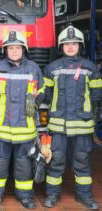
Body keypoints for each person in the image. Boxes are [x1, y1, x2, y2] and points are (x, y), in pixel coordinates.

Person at [43, 25, 102, 210]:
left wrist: (90, 118)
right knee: (55, 161)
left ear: (80, 46)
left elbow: (96, 96)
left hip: (82, 126)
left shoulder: (90, 68)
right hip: (58, 125)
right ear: (61, 47)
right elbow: (45, 95)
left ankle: (85, 196)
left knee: (82, 162)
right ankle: (52, 195)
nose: (70, 47)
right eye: (66, 44)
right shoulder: (51, 68)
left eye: (74, 44)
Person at [0, 30, 44, 209]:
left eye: (17, 48)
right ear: (5, 50)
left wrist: (29, 109)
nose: (14, 51)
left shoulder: (33, 69)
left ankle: (25, 196)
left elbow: (39, 97)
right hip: (1, 128)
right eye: (10, 48)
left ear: (24, 49)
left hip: (25, 128)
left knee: (23, 163)